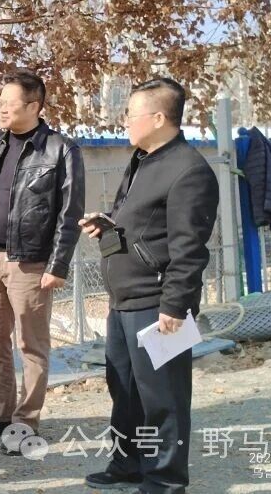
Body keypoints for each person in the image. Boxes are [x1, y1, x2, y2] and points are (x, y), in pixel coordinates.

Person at [80, 78, 218, 494]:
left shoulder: (189, 170)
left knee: (163, 398)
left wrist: (175, 306)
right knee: (125, 392)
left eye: (130, 114)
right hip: (124, 299)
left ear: (158, 118)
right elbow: (144, 226)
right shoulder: (142, 160)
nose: (124, 121)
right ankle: (129, 464)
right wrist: (107, 226)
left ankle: (165, 479)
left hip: (159, 304)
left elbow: (189, 248)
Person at [0, 69, 85, 451]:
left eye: (8, 103)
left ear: (34, 106)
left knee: (31, 345)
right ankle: (0, 413)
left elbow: (69, 213)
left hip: (30, 263)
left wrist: (58, 265)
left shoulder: (60, 150)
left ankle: (25, 422)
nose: (0, 109)